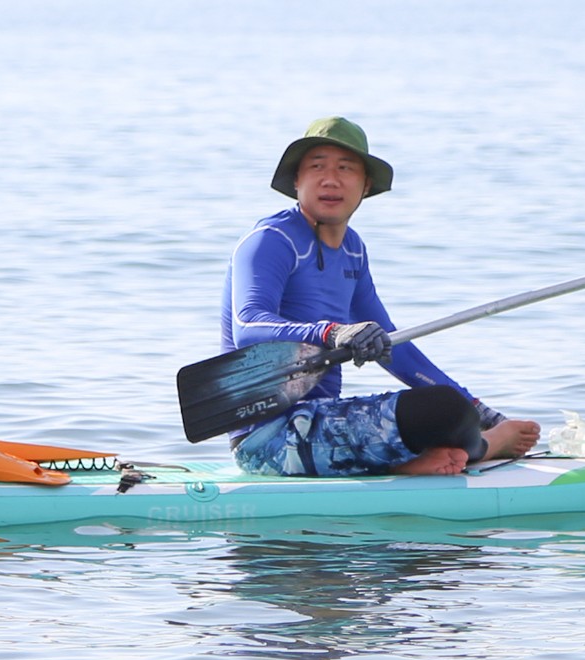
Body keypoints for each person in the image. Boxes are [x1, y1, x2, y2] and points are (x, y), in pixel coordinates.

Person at [221, 116, 540, 478]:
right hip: (267, 440)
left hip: (324, 417)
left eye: (345, 168)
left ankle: (419, 458)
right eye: (316, 167)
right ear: (297, 180)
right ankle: (484, 447)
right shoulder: (270, 241)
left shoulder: (353, 251)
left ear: (366, 185)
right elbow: (247, 325)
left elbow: (396, 347)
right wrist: (333, 333)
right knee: (444, 412)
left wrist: (477, 409)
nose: (330, 179)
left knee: (450, 407)